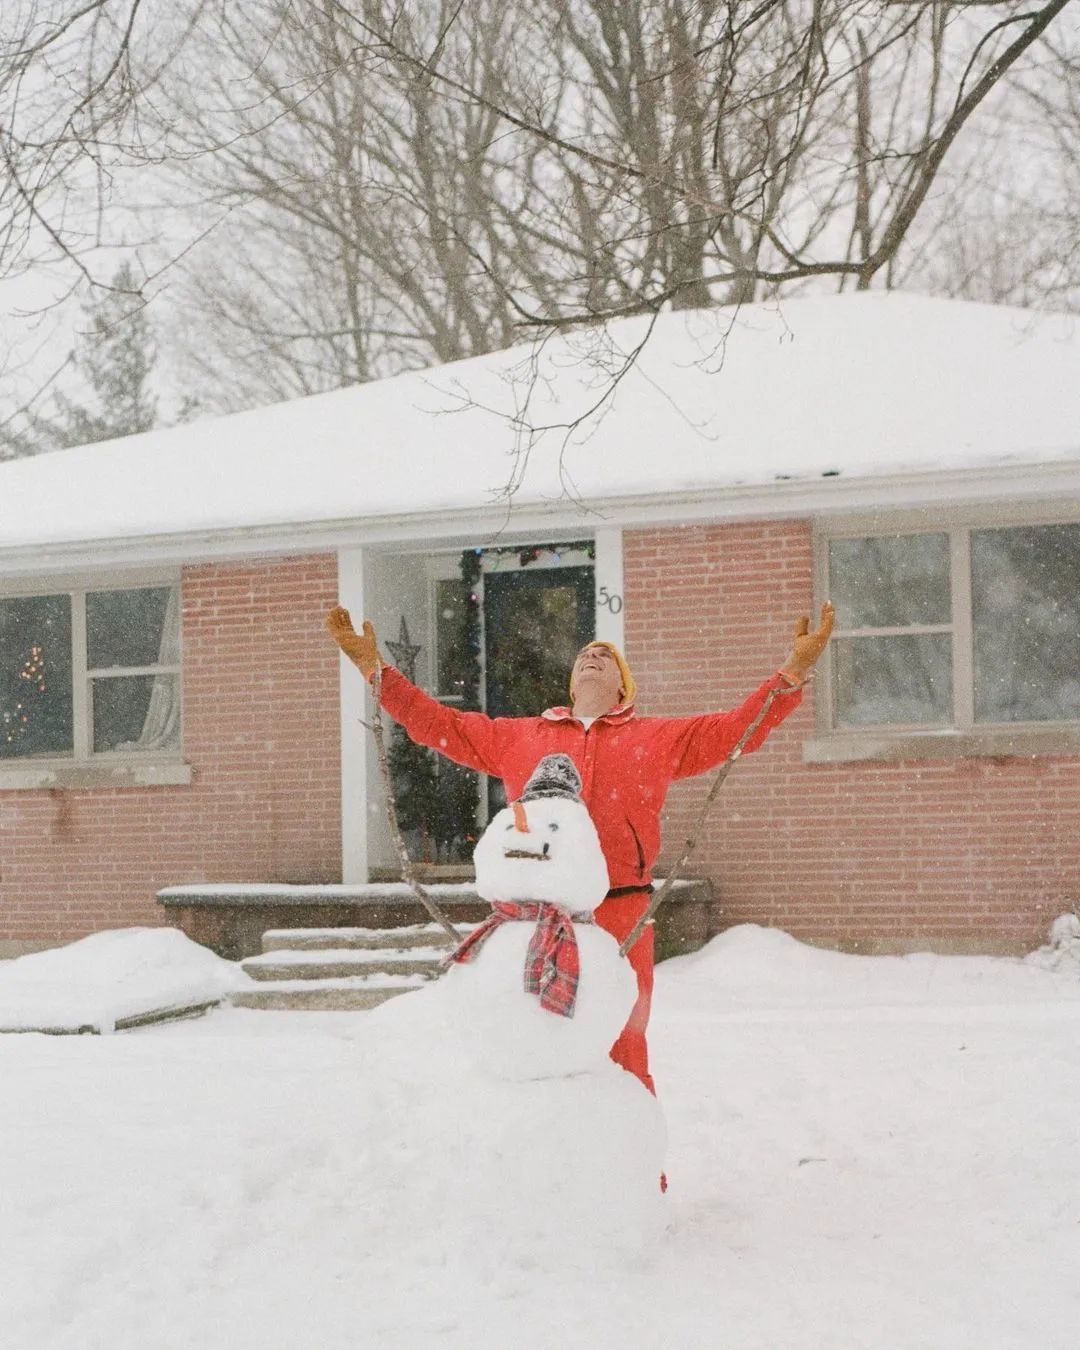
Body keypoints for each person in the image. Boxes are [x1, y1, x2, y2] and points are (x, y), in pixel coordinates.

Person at [327, 601, 834, 1096]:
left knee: (622, 1044)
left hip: (621, 913)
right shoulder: (520, 736)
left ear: (622, 686)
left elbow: (735, 730)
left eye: (606, 656)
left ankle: (629, 1170)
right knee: (531, 1043)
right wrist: (376, 672)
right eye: (583, 656)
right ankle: (549, 1164)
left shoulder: (657, 738)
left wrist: (791, 674)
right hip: (532, 919)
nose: (592, 657)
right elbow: (440, 725)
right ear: (571, 684)